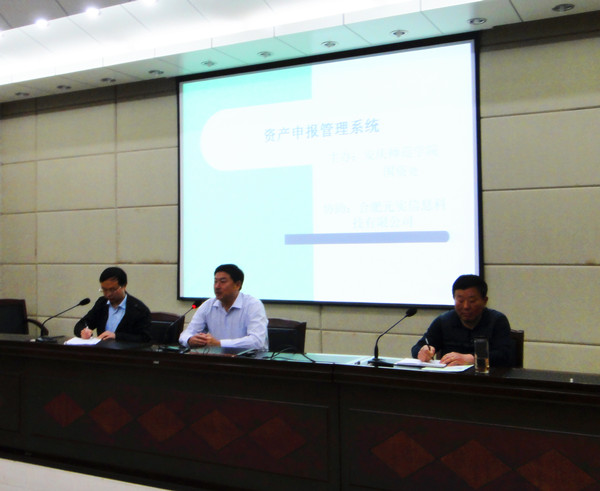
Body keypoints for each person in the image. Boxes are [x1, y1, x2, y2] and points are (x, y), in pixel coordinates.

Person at [411, 274, 512, 367]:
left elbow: (505, 355)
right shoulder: (443, 321)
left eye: (472, 301)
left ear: (484, 301)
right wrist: (423, 351)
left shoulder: (497, 321)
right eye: (460, 301)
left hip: (486, 377)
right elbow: (417, 348)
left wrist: (471, 358)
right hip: (451, 378)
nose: (466, 306)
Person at [179, 264, 268, 350]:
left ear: (237, 285)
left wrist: (219, 344)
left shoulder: (253, 305)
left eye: (223, 282)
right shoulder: (208, 305)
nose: (217, 286)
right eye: (215, 281)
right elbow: (185, 335)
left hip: (248, 358)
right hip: (217, 357)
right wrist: (190, 340)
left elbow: (257, 341)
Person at [74, 267, 151, 343]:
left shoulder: (138, 309)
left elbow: (145, 338)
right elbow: (82, 324)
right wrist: (84, 331)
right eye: (104, 289)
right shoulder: (102, 303)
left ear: (124, 286)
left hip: (126, 350)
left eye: (112, 289)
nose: (108, 294)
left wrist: (116, 336)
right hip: (102, 349)